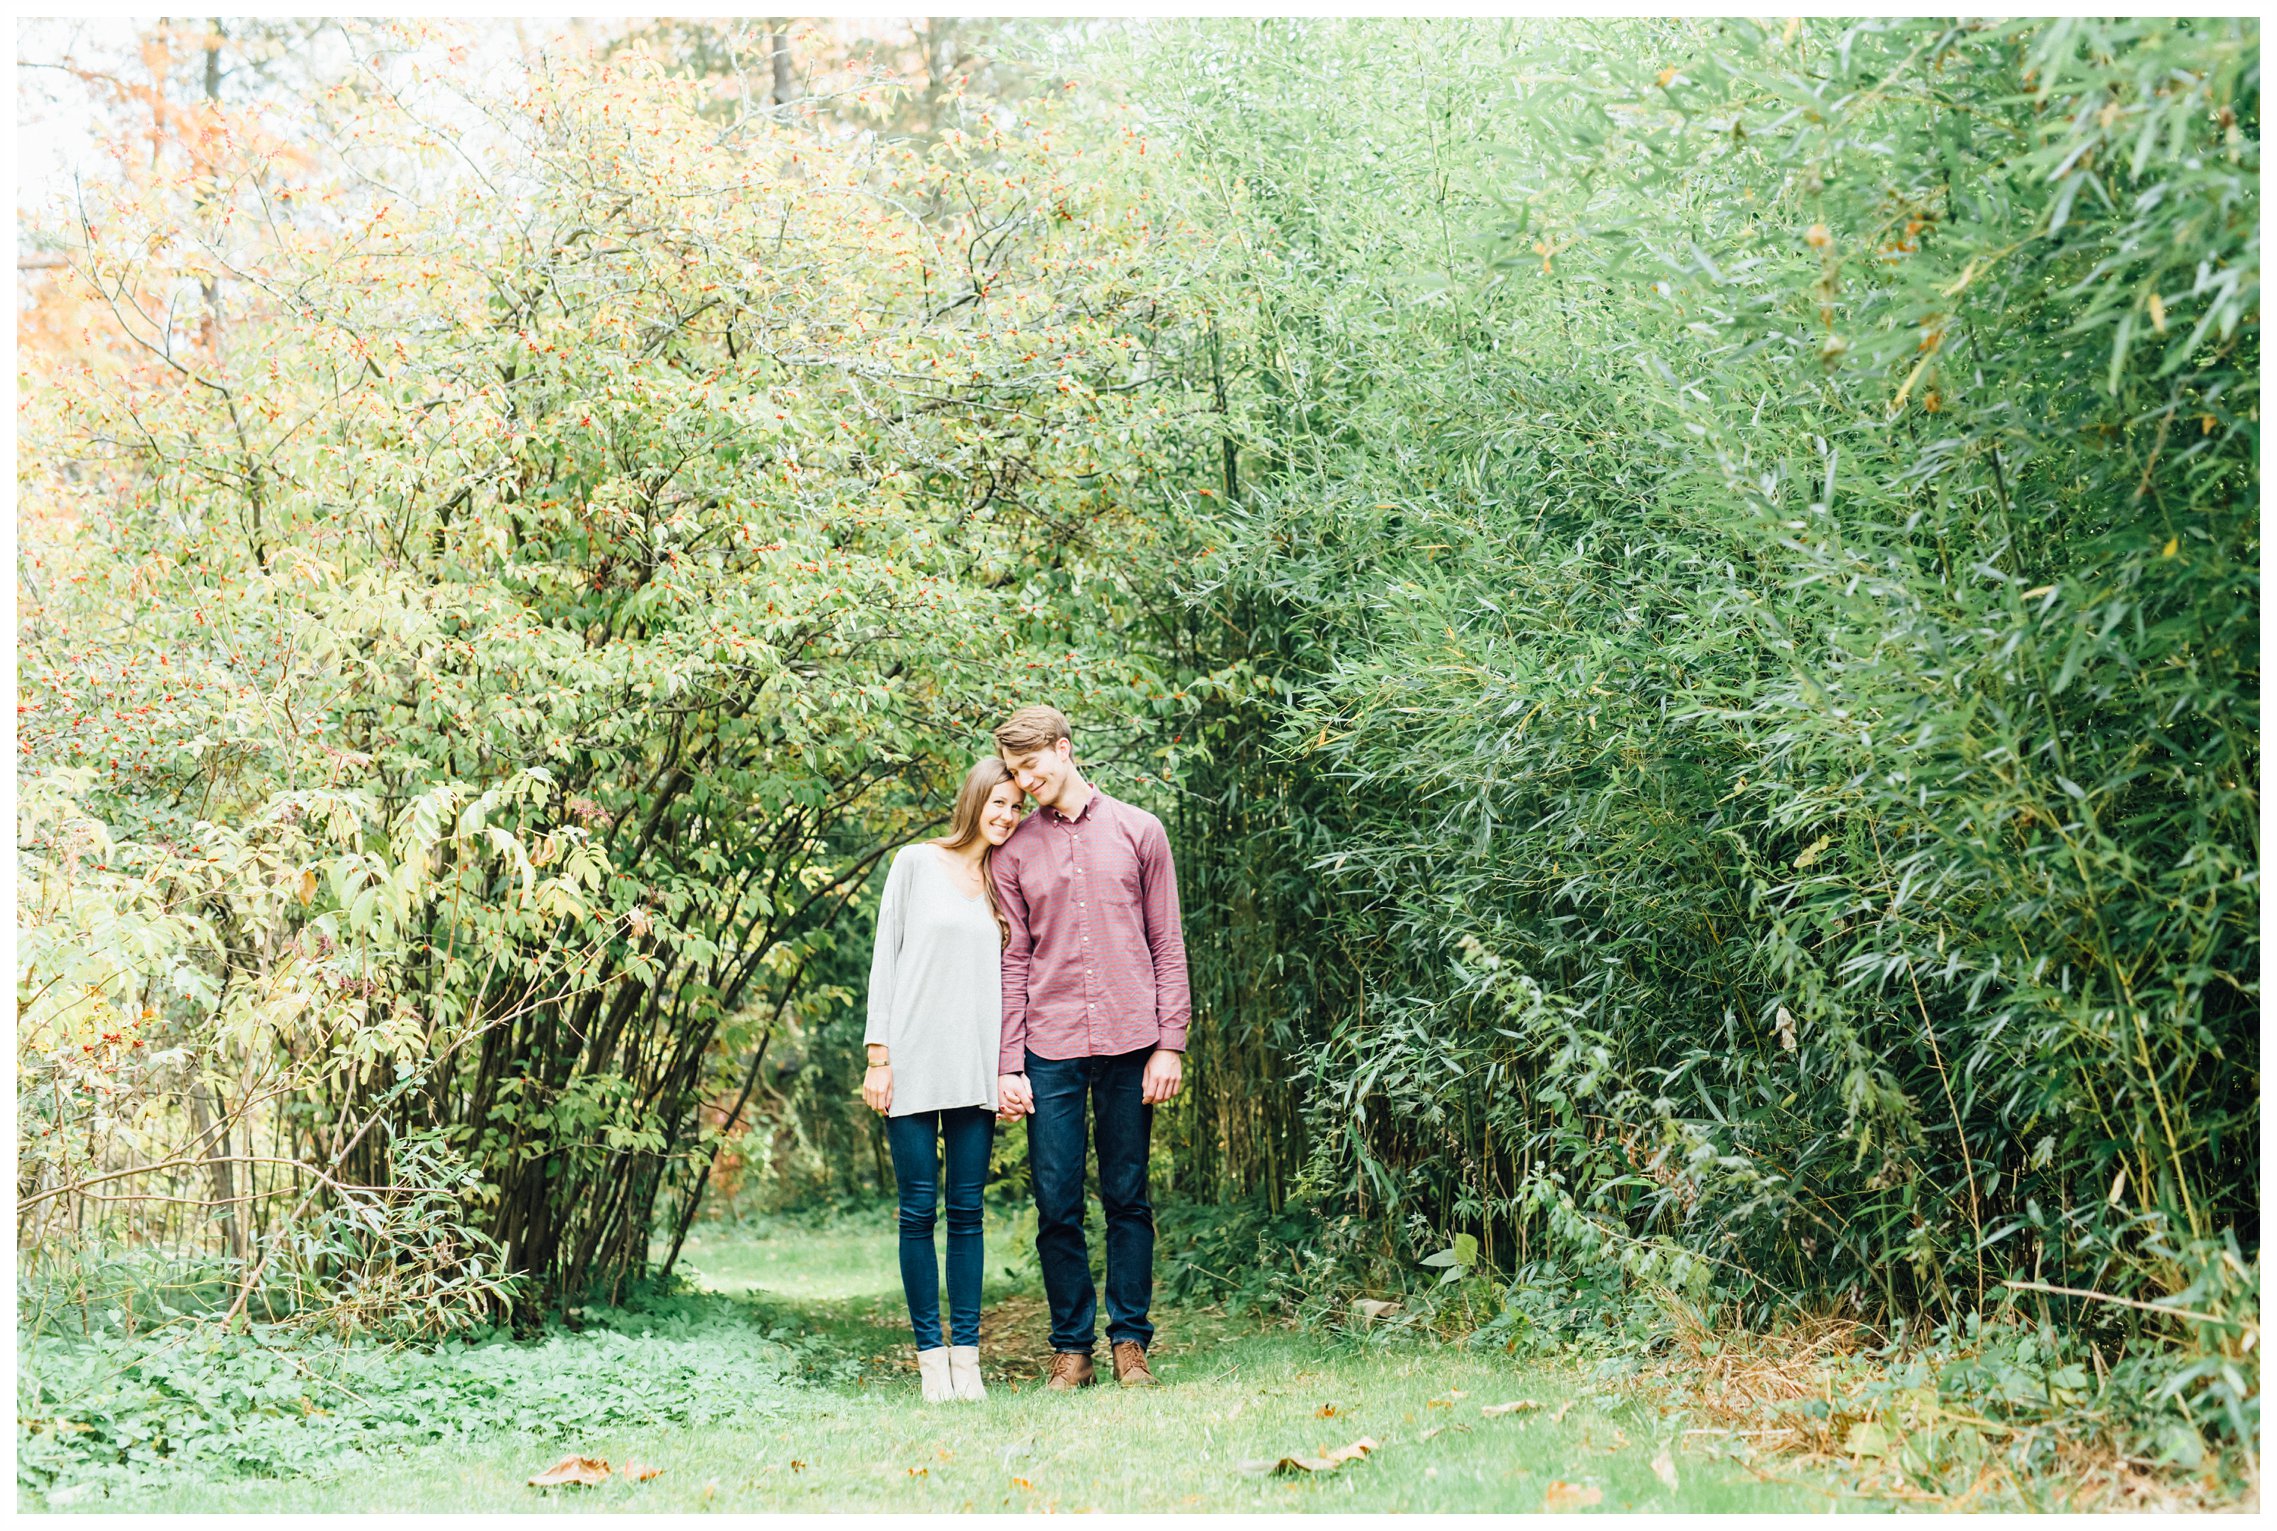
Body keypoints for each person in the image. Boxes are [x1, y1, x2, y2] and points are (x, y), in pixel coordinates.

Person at [990, 704, 1189, 1390]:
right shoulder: (1011, 853)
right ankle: (1070, 1347)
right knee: (1055, 1199)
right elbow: (1014, 962)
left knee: (1128, 1194)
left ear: (1064, 749)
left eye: (1032, 763)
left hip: (1132, 1041)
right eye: (1015, 770)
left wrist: (1171, 1044)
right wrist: (1007, 1062)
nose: (1025, 779)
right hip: (1048, 1046)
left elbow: (1166, 942)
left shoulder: (1140, 830)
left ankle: (1129, 1341)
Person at [863, 755, 1025, 1403]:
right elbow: (885, 956)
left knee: (966, 1212)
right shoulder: (914, 863)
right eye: (999, 802)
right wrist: (878, 1055)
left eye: (1018, 807)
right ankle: (930, 1360)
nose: (1008, 816)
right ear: (975, 798)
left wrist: (1010, 1063)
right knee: (915, 1209)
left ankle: (967, 1359)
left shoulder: (1004, 881)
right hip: (910, 1059)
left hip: (973, 1064)